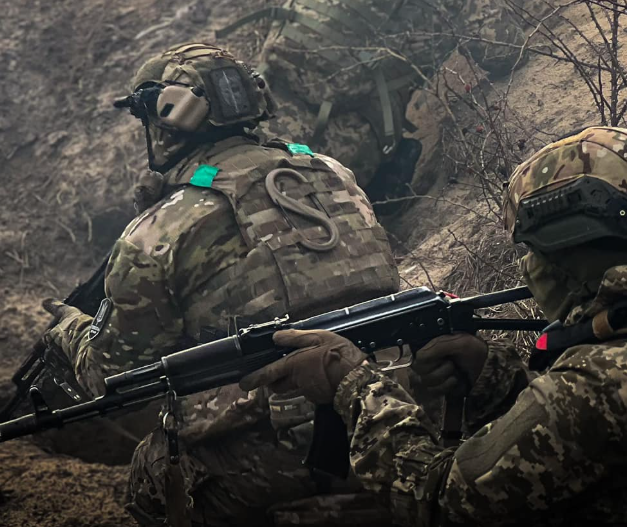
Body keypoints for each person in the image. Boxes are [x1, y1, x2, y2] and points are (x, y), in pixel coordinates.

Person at [241, 126, 627, 526]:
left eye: (532, 249)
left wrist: (352, 384)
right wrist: (495, 377)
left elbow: (440, 500)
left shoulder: (601, 383)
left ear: (570, 248)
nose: (527, 268)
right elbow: (612, 447)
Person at [42, 43, 400, 526]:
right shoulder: (331, 173)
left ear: (169, 117)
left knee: (149, 475)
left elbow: (109, 376)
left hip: (281, 456)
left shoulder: (162, 228)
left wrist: (68, 328)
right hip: (389, 414)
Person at [216, 0, 525, 197]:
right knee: (288, 200)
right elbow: (506, 52)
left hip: (264, 109)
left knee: (234, 190)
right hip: (340, 146)